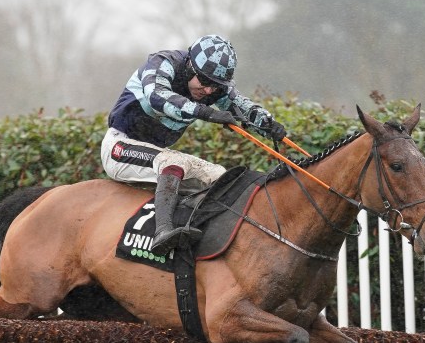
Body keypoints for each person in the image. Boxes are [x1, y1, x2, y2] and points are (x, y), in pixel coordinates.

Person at [101, 34, 287, 255]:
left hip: (157, 154)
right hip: (119, 147)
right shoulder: (163, 63)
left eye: (216, 86)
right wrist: (206, 112)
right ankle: (162, 233)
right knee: (173, 160)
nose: (208, 91)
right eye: (205, 81)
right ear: (190, 65)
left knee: (220, 176)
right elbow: (157, 97)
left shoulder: (214, 88)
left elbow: (242, 107)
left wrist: (268, 124)